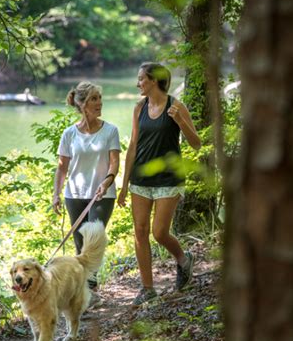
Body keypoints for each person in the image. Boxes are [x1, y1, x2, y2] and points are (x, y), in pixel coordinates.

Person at [118, 62, 201, 306]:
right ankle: (148, 288)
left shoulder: (176, 105)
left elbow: (196, 144)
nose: (138, 84)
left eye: (141, 79)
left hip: (168, 179)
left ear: (153, 80)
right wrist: (124, 184)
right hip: (140, 179)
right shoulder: (139, 108)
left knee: (159, 232)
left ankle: (184, 261)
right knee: (140, 232)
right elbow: (133, 146)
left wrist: (180, 121)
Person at [53, 81, 120, 299]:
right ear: (82, 105)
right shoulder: (69, 134)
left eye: (99, 98)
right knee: (80, 246)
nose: (99, 102)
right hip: (74, 194)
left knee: (93, 241)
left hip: (103, 193)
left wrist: (107, 181)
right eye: (93, 99)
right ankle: (85, 295)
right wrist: (56, 194)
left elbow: (114, 162)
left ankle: (90, 291)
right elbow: (62, 167)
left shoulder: (110, 130)